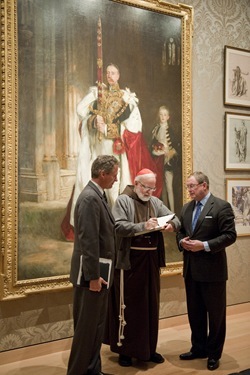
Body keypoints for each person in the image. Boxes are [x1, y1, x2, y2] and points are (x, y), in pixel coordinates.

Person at [104, 168, 180, 367]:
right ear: (136, 184)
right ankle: (126, 351)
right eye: (146, 187)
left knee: (150, 305)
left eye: (152, 188)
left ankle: (148, 349)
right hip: (129, 262)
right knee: (129, 307)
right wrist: (143, 226)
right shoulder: (123, 200)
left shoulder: (155, 202)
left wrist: (172, 225)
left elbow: (175, 219)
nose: (149, 192)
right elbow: (118, 227)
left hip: (151, 261)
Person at [70, 63, 157, 226]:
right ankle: (98, 221)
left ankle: (116, 221)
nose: (110, 76)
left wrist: (109, 128)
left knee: (114, 184)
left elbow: (134, 127)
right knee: (95, 182)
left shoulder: (126, 98)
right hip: (97, 148)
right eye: (107, 73)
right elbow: (81, 113)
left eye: (113, 73)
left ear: (118, 76)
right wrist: (94, 121)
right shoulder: (96, 94)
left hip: (114, 147)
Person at [176, 171, 237, 371]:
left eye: (192, 186)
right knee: (195, 313)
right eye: (188, 186)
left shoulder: (221, 207)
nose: (189, 190)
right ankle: (198, 348)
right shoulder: (186, 208)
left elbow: (230, 236)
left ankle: (213, 354)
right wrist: (181, 241)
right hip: (191, 271)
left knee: (216, 315)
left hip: (213, 272)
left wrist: (205, 245)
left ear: (204, 185)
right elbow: (181, 232)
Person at [67, 155, 119, 375]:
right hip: (92, 277)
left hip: (99, 275)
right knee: (86, 331)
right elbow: (88, 241)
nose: (116, 180)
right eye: (114, 175)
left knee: (96, 328)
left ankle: (93, 370)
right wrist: (93, 277)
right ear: (103, 173)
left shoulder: (98, 195)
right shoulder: (90, 198)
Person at [151, 105, 178, 211]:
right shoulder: (156, 129)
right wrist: (156, 150)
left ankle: (172, 211)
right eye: (161, 114)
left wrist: (170, 153)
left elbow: (176, 146)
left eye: (165, 115)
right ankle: (165, 211)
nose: (163, 117)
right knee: (161, 188)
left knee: (169, 187)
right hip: (158, 160)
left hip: (168, 161)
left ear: (168, 117)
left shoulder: (171, 130)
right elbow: (152, 144)